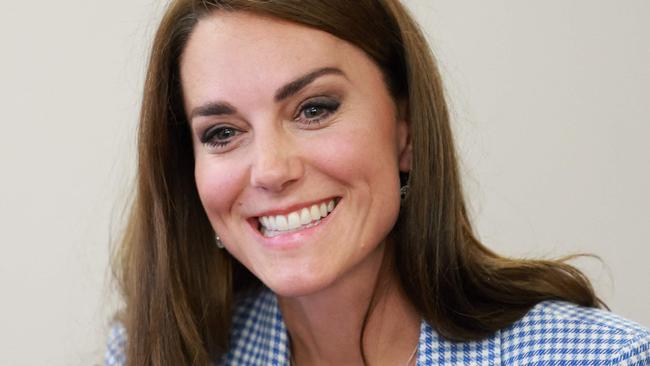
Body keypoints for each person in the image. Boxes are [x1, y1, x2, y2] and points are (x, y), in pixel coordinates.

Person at [105, 1, 650, 365]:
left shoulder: (600, 359)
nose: (271, 170)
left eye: (314, 109)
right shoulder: (150, 353)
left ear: (405, 131)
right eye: (223, 132)